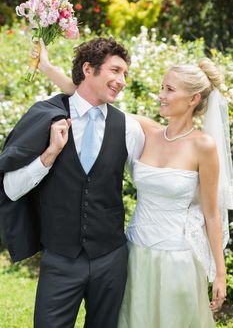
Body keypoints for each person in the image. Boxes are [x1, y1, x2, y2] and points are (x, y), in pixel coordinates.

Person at [29, 43, 233, 327]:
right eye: (162, 87)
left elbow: (212, 214)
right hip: (134, 253)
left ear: (193, 98)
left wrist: (220, 273)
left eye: (170, 90)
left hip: (178, 258)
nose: (161, 95)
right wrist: (48, 68)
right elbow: (85, 97)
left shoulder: (203, 146)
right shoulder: (146, 130)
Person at [1, 37, 145, 328]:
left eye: (125, 74)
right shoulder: (46, 116)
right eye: (115, 71)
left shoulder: (129, 128)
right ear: (88, 68)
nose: (122, 81)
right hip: (61, 259)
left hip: (111, 258)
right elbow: (11, 189)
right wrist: (49, 154)